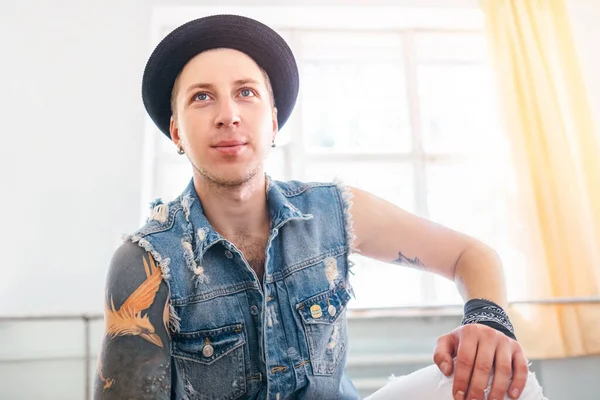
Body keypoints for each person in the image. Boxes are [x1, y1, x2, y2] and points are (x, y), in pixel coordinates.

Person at [94, 14, 544, 400]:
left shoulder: (331, 211)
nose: (228, 114)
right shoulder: (147, 262)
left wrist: (489, 323)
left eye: (246, 92)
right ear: (176, 132)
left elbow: (473, 256)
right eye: (202, 96)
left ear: (272, 120)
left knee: (498, 379)